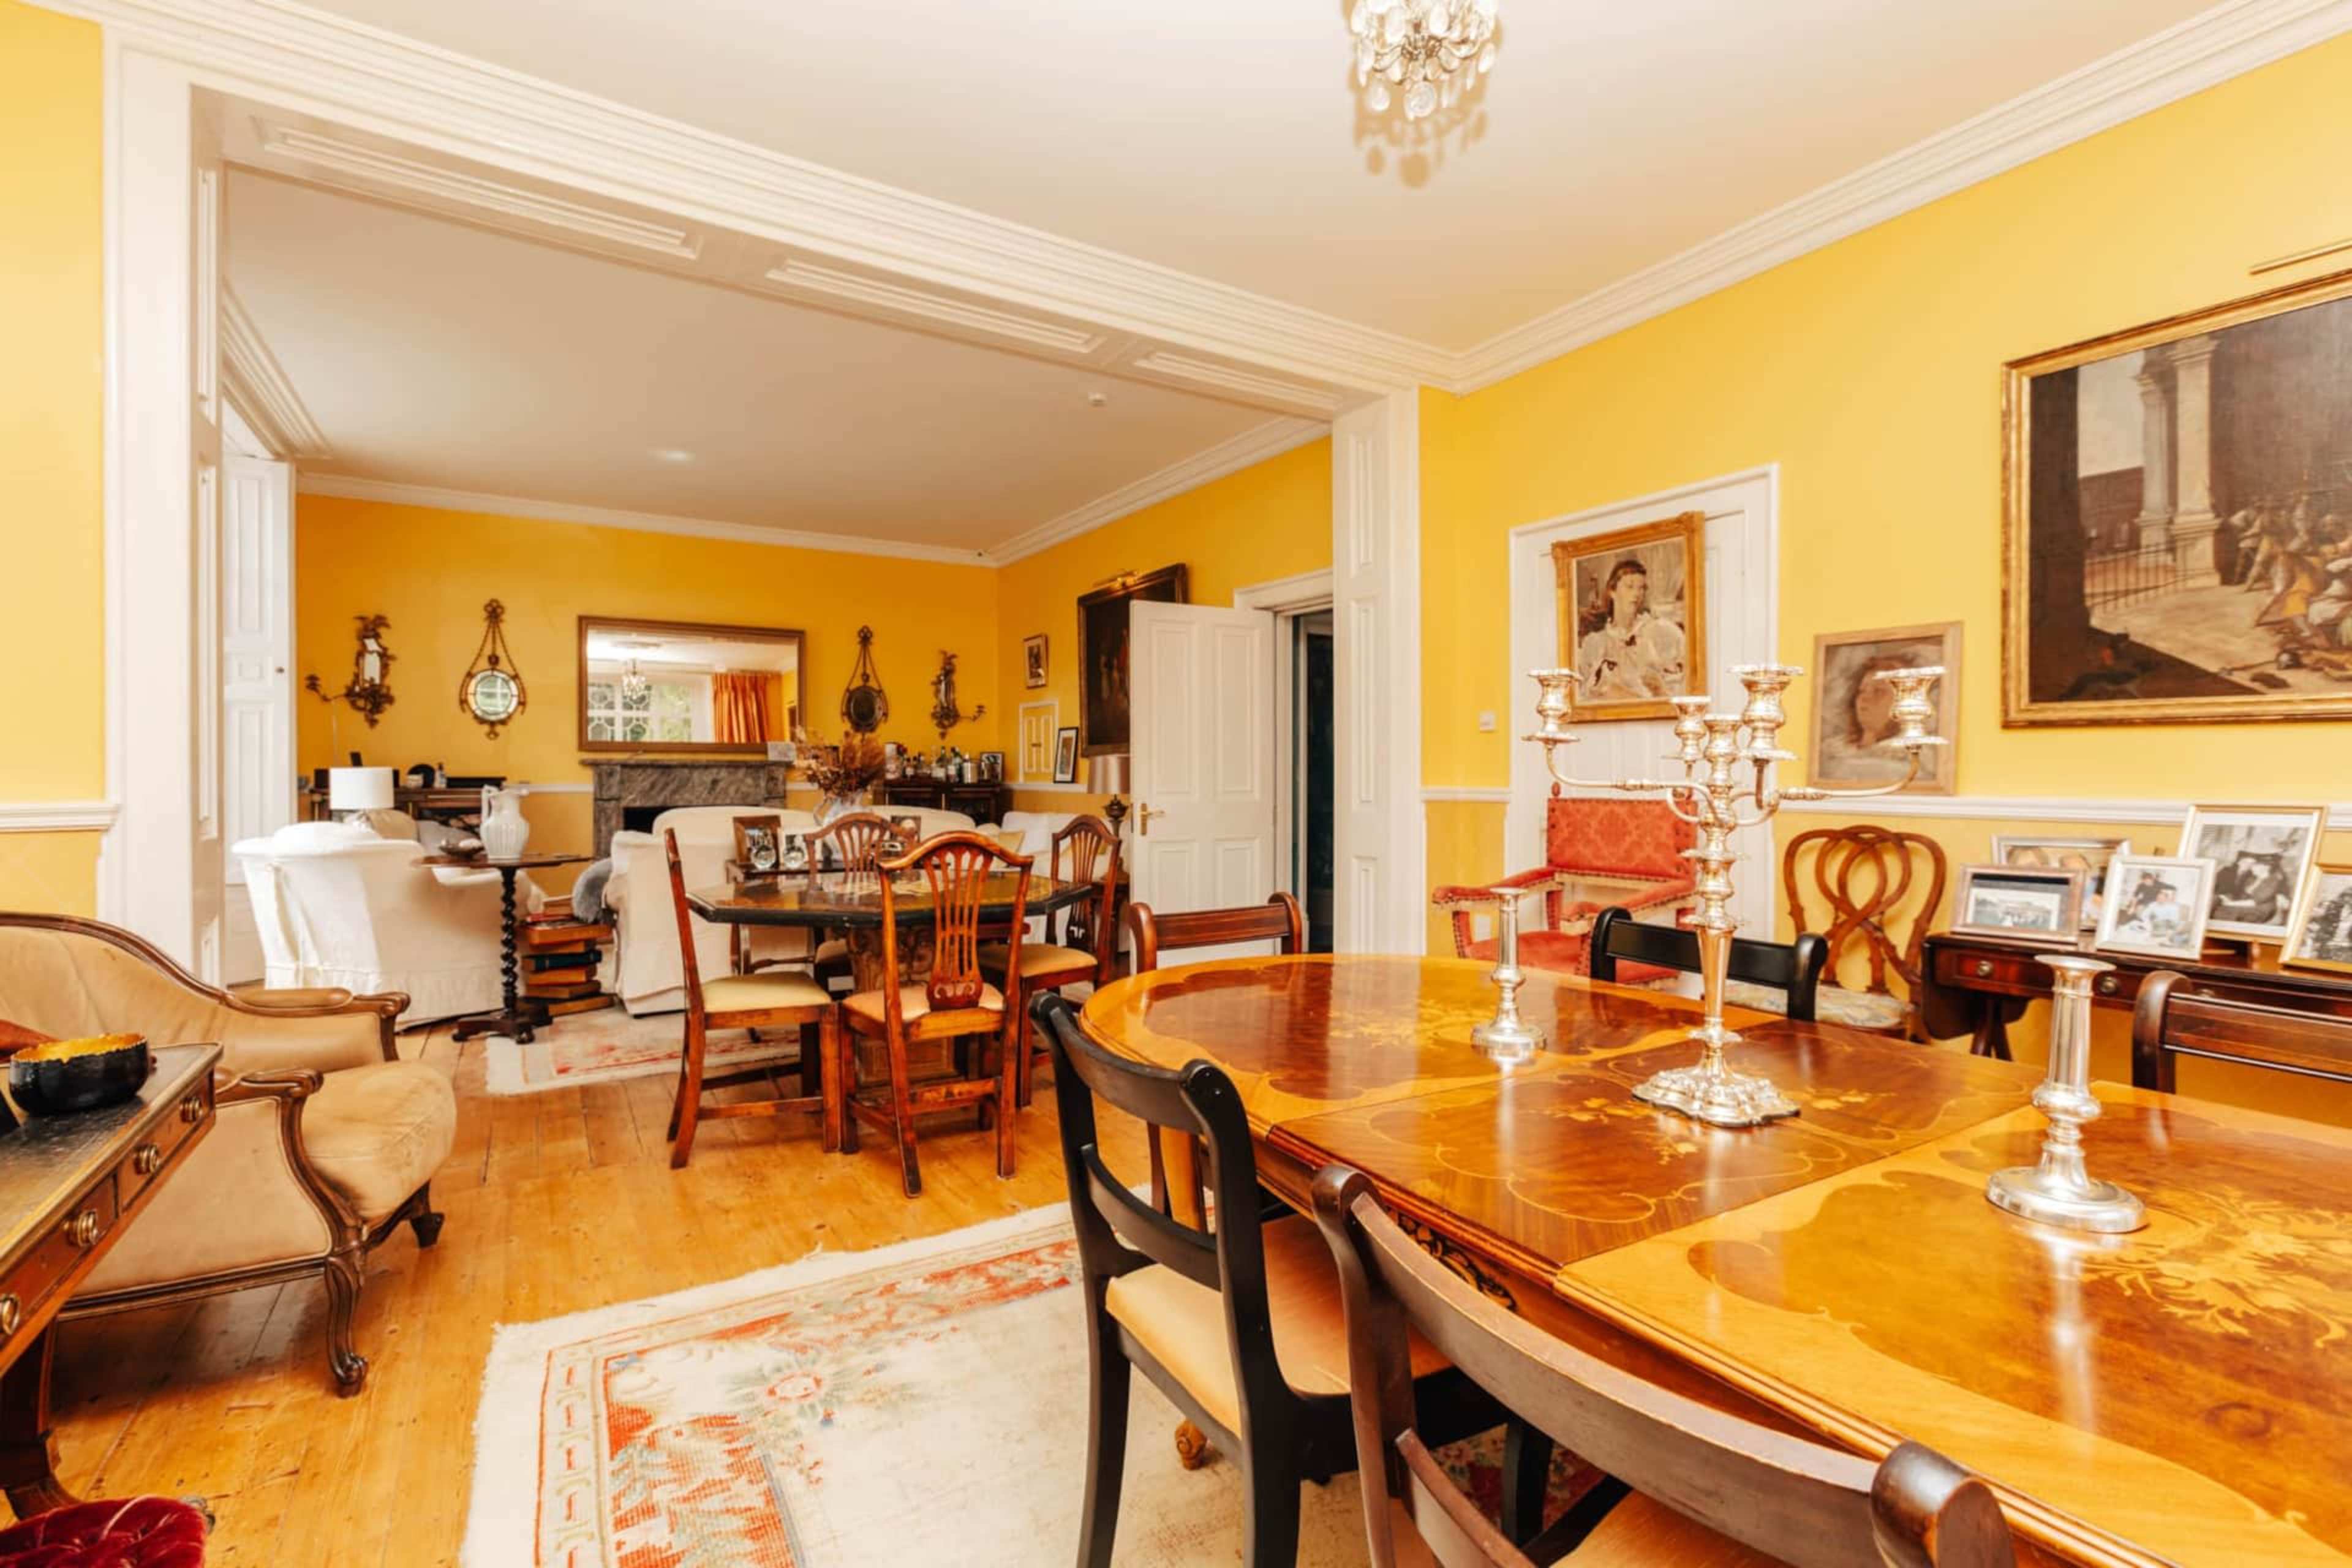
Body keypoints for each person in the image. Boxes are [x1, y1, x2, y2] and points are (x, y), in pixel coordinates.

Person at [1576, 557, 1687, 701]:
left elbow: (1680, 689)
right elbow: (1582, 696)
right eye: (1630, 586)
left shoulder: (1661, 631)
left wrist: (1659, 688)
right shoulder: (1595, 643)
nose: (1637, 594)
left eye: (1641, 588)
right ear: (1612, 591)